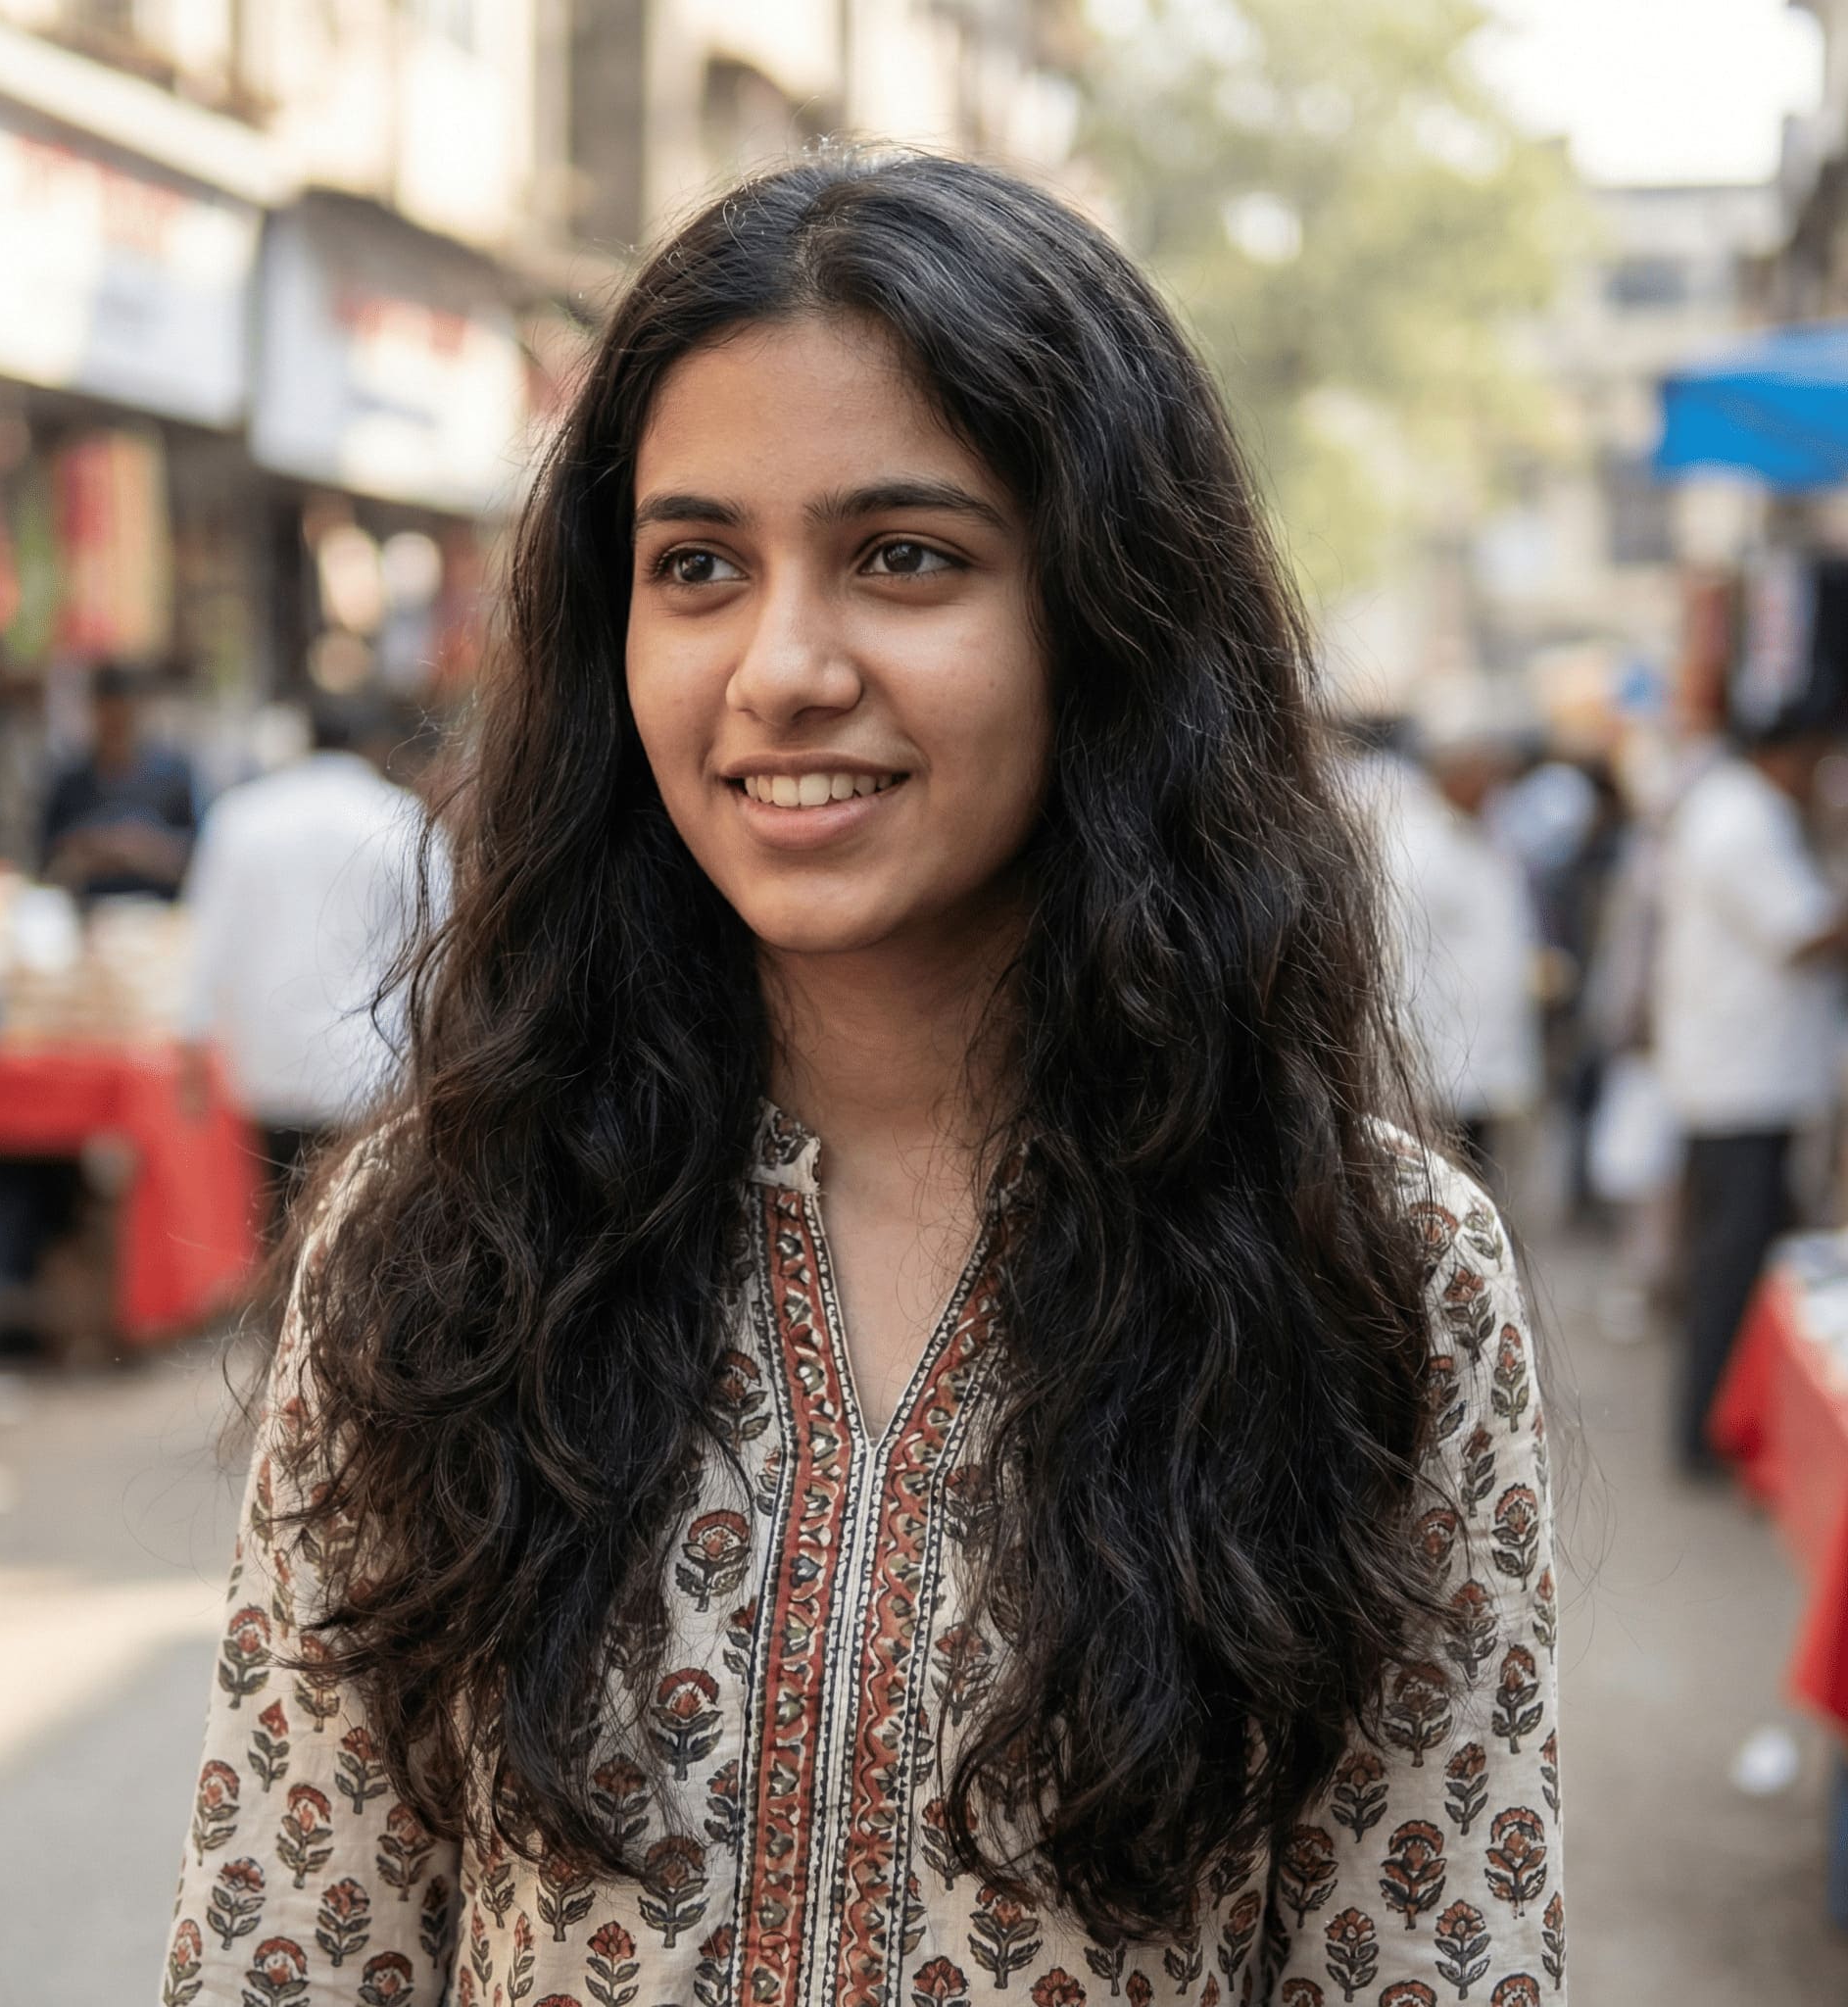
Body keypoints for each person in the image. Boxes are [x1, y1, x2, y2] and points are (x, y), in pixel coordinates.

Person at [166, 153, 1562, 2005]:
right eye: (697, 567)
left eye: (903, 556)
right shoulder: (442, 1239)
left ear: (1108, 617)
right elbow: (287, 1946)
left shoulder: (1378, 1276)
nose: (783, 668)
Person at [1656, 713, 1848, 1472]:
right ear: (1787, 754)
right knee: (1732, 1264)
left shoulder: (1740, 809)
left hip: (1746, 1078)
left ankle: (1727, 1425)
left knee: (1742, 1257)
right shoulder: (1741, 820)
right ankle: (1709, 1432)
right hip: (1741, 1083)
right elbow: (1801, 931)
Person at [180, 696, 426, 1238]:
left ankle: (280, 1289)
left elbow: (208, 941)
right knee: (356, 1224)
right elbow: (433, 949)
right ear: (374, 745)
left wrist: (193, 1038)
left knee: (277, 1215)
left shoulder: (242, 817)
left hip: (267, 1063)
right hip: (368, 1066)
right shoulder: (400, 819)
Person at [1376, 725, 1542, 1180]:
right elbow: (1403, 965)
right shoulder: (1415, 849)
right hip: (1440, 1067)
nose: (1494, 790)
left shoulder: (1486, 839)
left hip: (1482, 1061)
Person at [38, 661, 197, 901]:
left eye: (122, 717)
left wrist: (146, 848)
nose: (115, 727)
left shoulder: (172, 777)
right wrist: (92, 850)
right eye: (108, 717)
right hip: (87, 908)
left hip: (156, 911)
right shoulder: (70, 782)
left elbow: (197, 857)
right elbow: (47, 863)